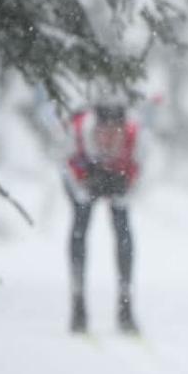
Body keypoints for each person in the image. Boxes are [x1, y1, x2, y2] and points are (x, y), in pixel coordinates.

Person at [65, 99, 141, 335]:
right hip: (83, 176)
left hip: (120, 175)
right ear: (95, 129)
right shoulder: (78, 132)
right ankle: (78, 304)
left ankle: (125, 305)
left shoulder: (135, 137)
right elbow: (66, 166)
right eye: (103, 132)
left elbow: (141, 170)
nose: (109, 139)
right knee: (80, 227)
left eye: (115, 133)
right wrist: (84, 185)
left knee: (123, 231)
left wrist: (125, 187)